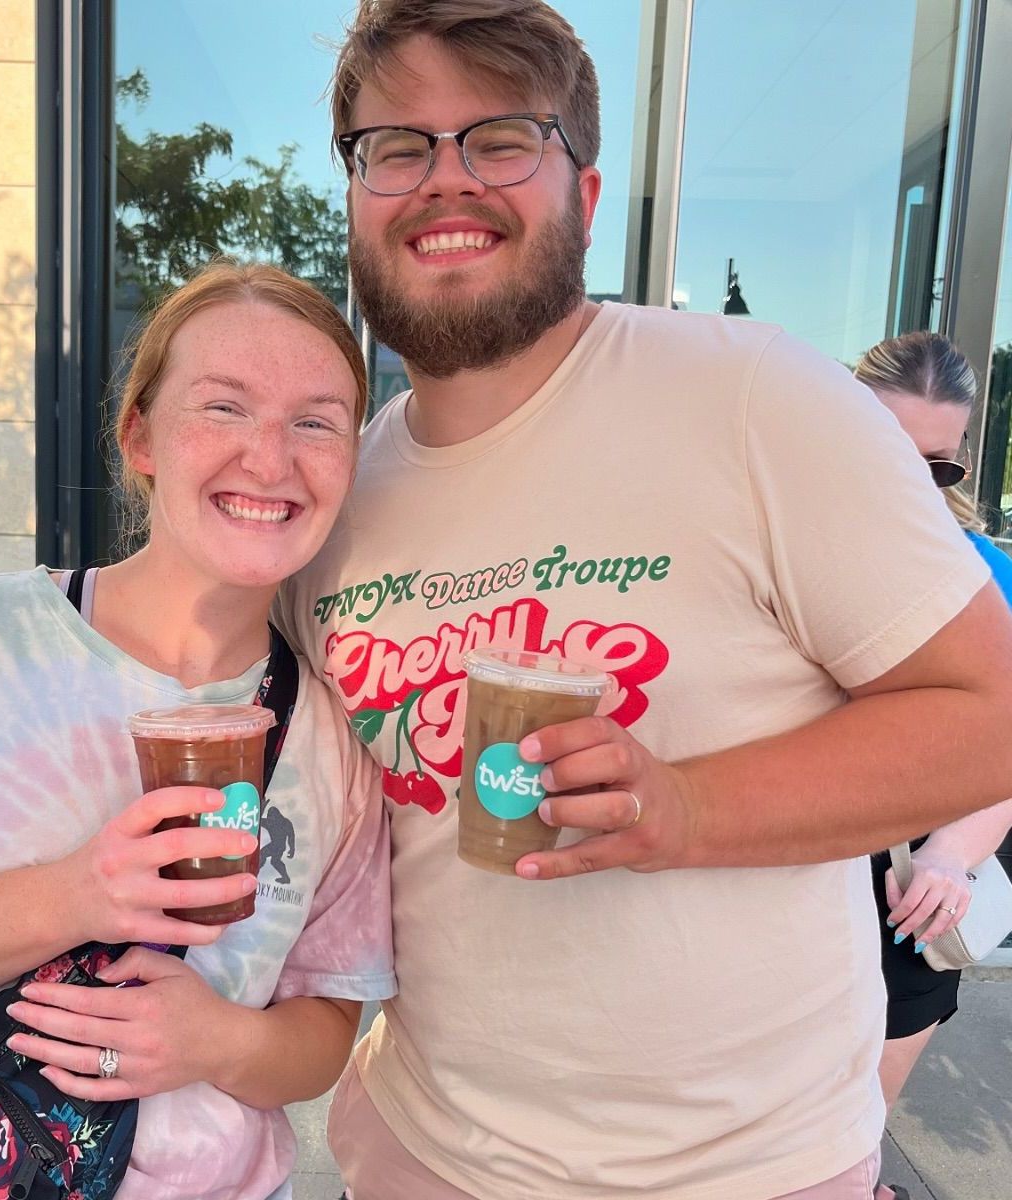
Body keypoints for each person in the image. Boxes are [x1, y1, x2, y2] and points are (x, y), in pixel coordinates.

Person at [275, 3, 1012, 1197]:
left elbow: (991, 713)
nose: (444, 182)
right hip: (423, 1150)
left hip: (746, 1169)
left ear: (589, 188)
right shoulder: (338, 490)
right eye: (396, 147)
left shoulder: (755, 398)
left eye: (502, 137)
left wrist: (684, 807)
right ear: (356, 192)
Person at [0, 262, 395, 1200]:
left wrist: (220, 1039)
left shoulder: (337, 739)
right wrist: (75, 896)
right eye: (223, 408)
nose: (271, 459)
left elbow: (323, 1031)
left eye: (317, 422)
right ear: (141, 435)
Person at [853, 333, 1012, 1146]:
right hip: (778, 852)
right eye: (884, 447)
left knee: (850, 1137)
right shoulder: (772, 541)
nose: (909, 484)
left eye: (938, 465)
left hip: (908, 871)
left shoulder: (983, 570)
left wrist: (953, 855)